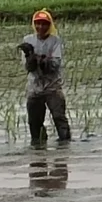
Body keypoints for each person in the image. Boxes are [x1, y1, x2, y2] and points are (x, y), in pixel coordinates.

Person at [19, 9, 71, 146]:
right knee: (34, 124)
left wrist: (41, 60)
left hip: (52, 87)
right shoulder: (28, 40)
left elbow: (55, 64)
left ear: (50, 25)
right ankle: (39, 154)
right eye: (38, 24)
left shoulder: (55, 41)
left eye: (44, 24)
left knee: (60, 119)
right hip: (34, 88)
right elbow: (27, 68)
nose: (40, 27)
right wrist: (29, 57)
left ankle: (65, 150)